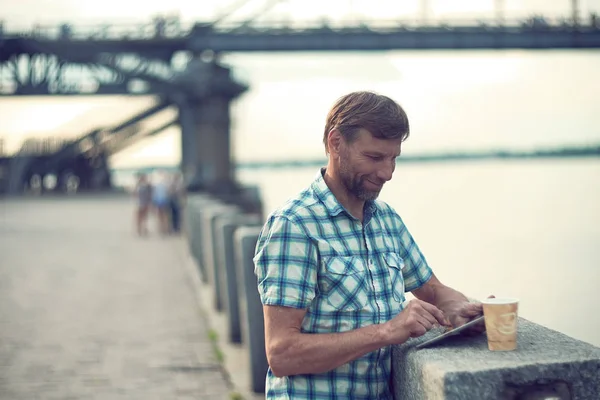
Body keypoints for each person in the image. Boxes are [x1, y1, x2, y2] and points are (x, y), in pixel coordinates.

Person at [253, 91, 489, 399]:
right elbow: (281, 353)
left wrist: (459, 311)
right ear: (335, 143)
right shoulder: (294, 226)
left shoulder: (387, 220)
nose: (387, 173)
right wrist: (387, 332)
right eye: (375, 157)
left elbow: (432, 290)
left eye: (393, 159)